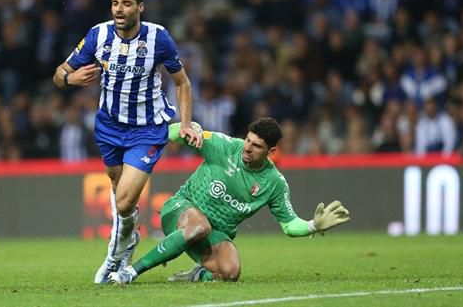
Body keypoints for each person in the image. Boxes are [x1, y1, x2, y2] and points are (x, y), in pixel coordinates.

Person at [52, 0, 202, 283]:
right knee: (123, 198)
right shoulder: (99, 35)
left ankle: (113, 257)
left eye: (127, 4)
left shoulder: (159, 39)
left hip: (147, 129)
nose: (119, 10)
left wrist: (185, 123)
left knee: (122, 202)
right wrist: (71, 80)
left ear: (140, 7)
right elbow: (58, 74)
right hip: (108, 127)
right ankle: (129, 239)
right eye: (115, 3)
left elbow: (182, 82)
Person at [108, 118, 351, 283]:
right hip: (180, 210)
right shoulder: (224, 146)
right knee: (199, 226)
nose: (248, 148)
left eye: (256, 146)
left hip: (214, 232)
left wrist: (312, 226)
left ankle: (196, 275)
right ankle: (130, 271)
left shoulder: (274, 183)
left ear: (271, 152)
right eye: (248, 140)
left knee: (230, 272)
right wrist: (184, 129)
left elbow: (289, 224)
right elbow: (172, 134)